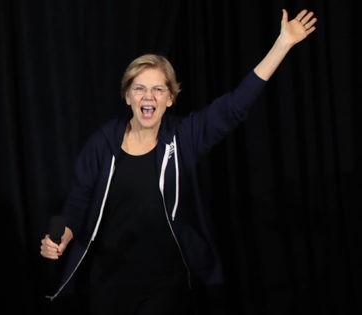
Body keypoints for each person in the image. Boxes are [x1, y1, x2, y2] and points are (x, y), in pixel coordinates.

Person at [40, 8, 317, 315]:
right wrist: (62, 237)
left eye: (159, 89)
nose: (149, 97)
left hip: (166, 284)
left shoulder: (183, 138)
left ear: (170, 98)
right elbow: (76, 207)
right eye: (140, 89)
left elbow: (235, 106)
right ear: (127, 96)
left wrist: (283, 44)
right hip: (109, 284)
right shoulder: (102, 144)